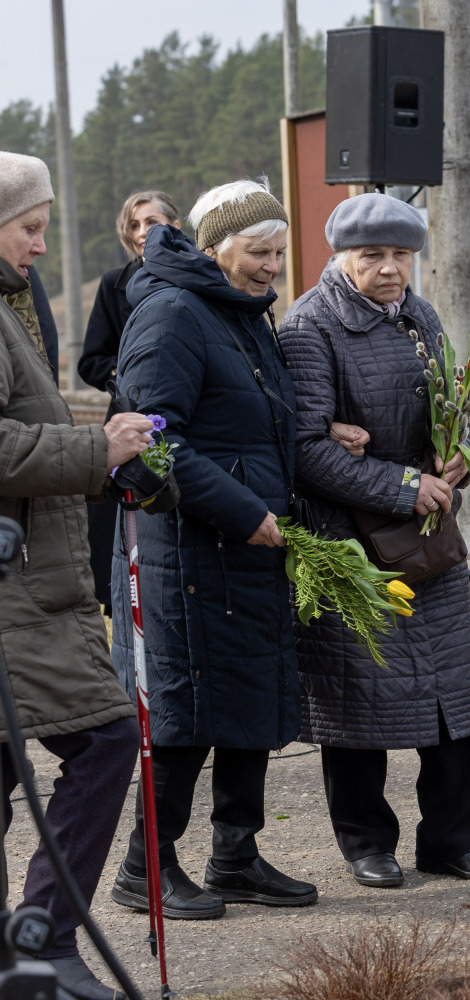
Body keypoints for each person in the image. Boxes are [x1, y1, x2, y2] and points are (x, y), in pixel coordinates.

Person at [279, 193, 470, 888]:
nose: (389, 270)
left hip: (427, 543)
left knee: (450, 698)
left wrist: (458, 457)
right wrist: (404, 487)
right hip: (352, 546)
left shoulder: (420, 314)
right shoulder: (307, 328)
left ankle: (454, 839)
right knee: (358, 703)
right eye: (372, 255)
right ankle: (366, 843)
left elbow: (453, 405)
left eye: (401, 255)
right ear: (340, 256)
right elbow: (306, 450)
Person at [109, 179, 314, 919]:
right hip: (192, 552)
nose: (271, 267)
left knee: (247, 699)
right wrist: (241, 510)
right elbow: (149, 443)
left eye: (279, 253)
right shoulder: (171, 315)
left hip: (249, 545)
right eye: (259, 253)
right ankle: (144, 867)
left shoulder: (238, 313)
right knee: (186, 713)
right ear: (215, 248)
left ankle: (236, 855)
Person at [0, 151, 155, 1000]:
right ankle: (46, 942)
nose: (38, 243)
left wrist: (98, 444)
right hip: (18, 591)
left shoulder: (12, 304)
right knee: (104, 738)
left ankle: (28, 947)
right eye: (29, 227)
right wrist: (94, 449)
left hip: (34, 582)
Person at [77, 191, 182, 613]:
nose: (142, 233)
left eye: (151, 222)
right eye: (134, 225)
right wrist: (128, 374)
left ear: (174, 226)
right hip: (129, 419)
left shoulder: (195, 277)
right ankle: (119, 600)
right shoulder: (111, 284)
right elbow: (91, 361)